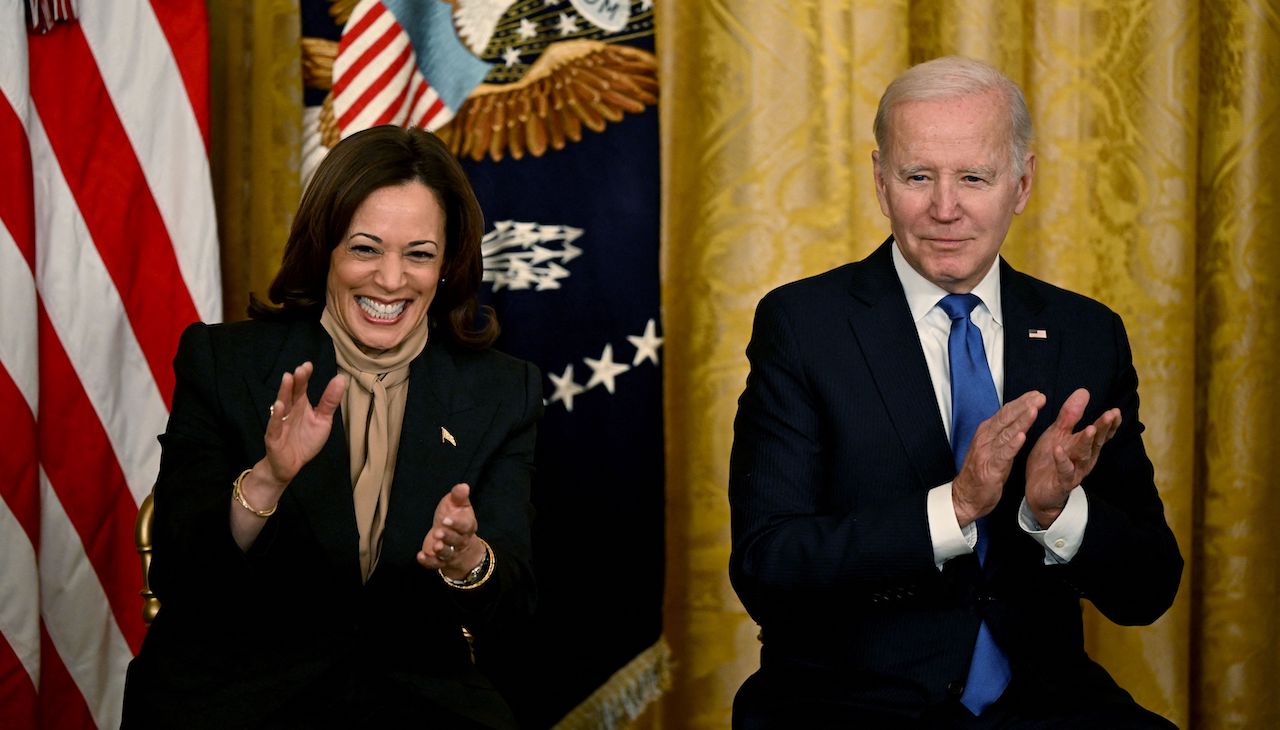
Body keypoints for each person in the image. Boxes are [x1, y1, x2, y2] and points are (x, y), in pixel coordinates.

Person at [728, 56, 1182, 728]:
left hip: (1044, 703)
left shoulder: (1086, 334)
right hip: (850, 703)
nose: (945, 209)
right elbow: (769, 568)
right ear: (880, 183)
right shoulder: (803, 327)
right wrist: (956, 507)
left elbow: (1148, 588)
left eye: (974, 177)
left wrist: (1059, 513)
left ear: (1022, 183)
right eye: (918, 177)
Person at [122, 125, 542, 729]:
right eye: (365, 248)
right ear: (325, 248)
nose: (392, 280)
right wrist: (267, 480)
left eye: (419, 254)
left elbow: (517, 603)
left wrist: (466, 558)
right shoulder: (226, 363)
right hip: (240, 698)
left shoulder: (503, 391)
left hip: (420, 702)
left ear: (448, 262)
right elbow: (181, 576)